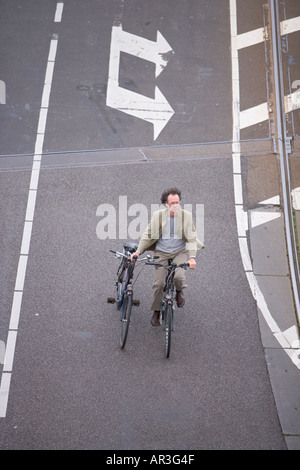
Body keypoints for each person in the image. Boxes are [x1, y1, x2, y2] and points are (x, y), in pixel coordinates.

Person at [131, 188, 204, 326]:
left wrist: (192, 257)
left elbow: (191, 238)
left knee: (178, 276)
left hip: (179, 252)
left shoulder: (186, 216)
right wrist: (138, 252)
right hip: (162, 252)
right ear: (166, 204)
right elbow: (148, 235)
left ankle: (179, 291)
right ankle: (156, 311)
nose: (175, 205)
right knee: (159, 284)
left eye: (177, 202)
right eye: (172, 203)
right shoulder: (158, 216)